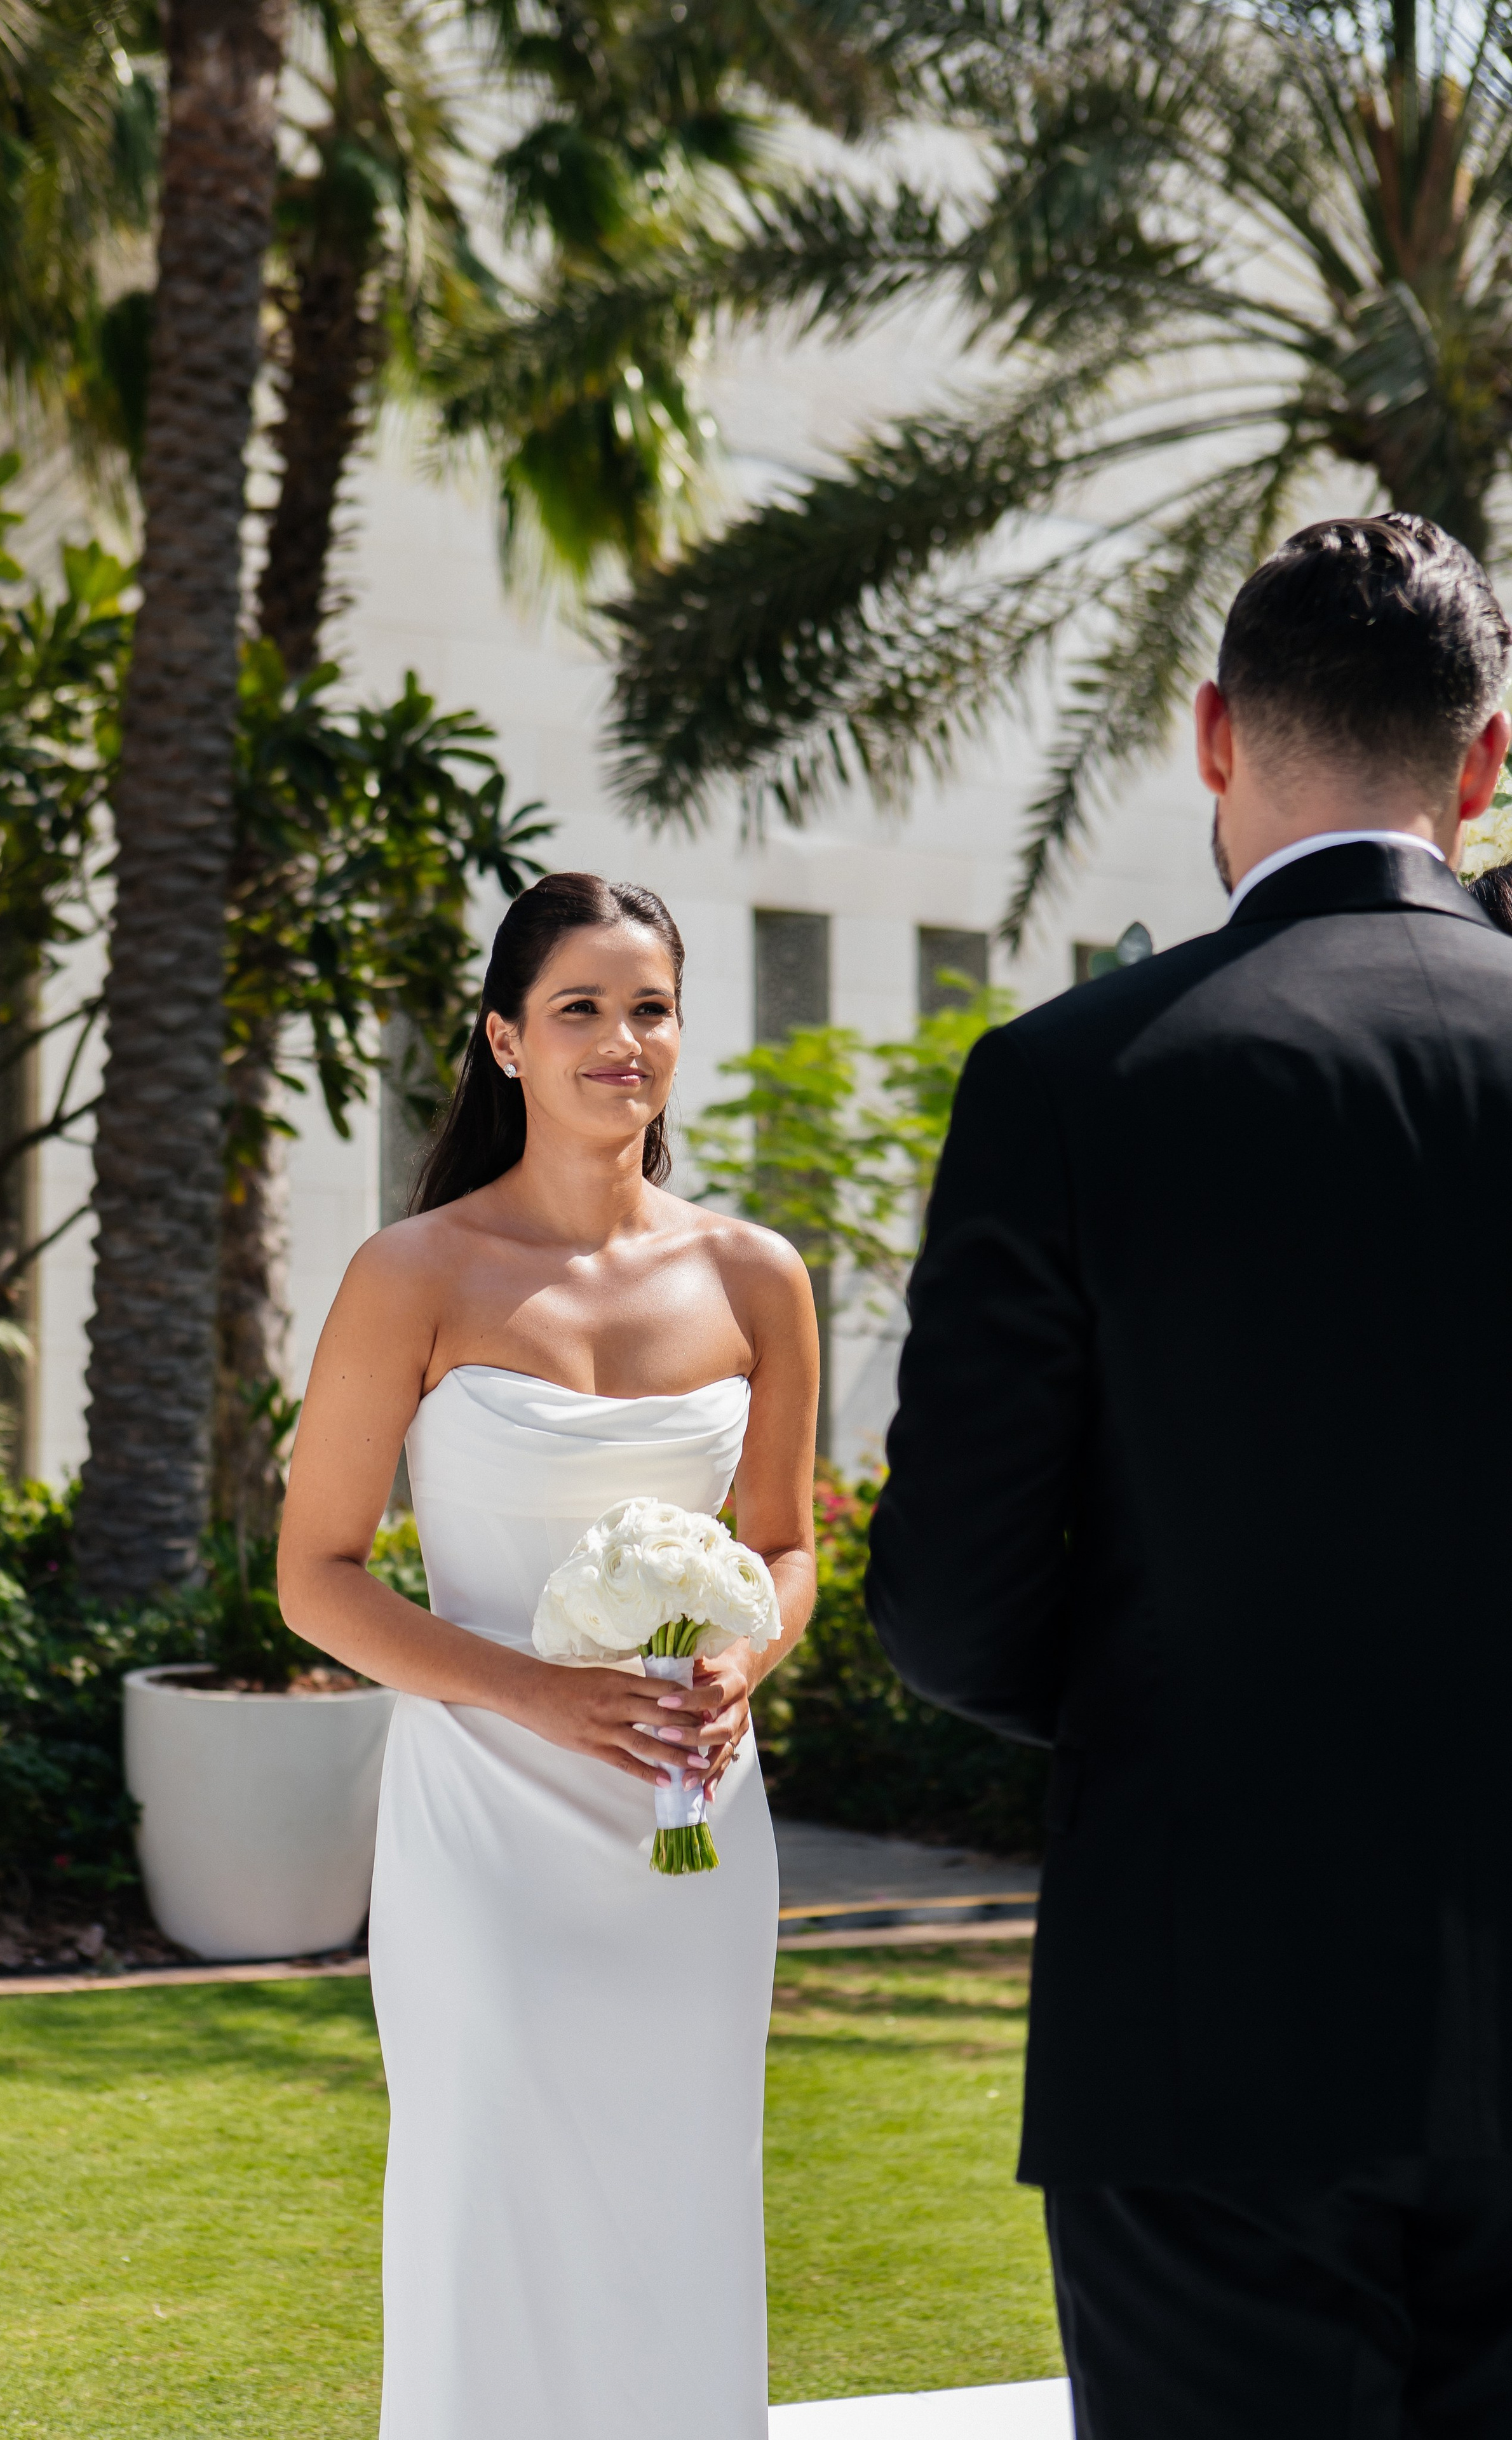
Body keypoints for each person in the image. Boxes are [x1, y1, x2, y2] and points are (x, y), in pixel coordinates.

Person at [867, 515, 1512, 2436]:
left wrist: (1179, 1709)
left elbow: (950, 1598)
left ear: (1215, 733)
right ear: (1486, 764)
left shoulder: (1072, 1079)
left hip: (1205, 1995)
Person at [278, 873, 818, 2440]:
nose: (620, 1039)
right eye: (578, 1007)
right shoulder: (413, 1274)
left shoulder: (751, 1274)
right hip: (485, 1832)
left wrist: (740, 1664)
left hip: (694, 1824)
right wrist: (536, 1692)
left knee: (681, 2192)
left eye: (647, 1005)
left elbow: (783, 1545)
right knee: (492, 2190)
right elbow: (314, 1580)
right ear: (504, 1040)